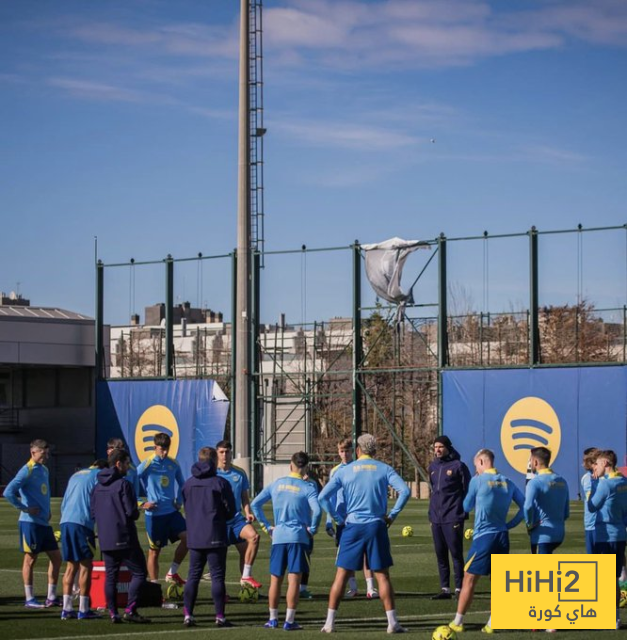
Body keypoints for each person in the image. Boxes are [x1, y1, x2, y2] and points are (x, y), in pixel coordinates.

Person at [318, 433, 410, 634]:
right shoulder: (384, 468)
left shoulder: (345, 470)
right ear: (374, 450)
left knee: (341, 575)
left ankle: (329, 623)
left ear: (358, 450)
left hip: (352, 526)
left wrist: (337, 518)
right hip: (376, 525)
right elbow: (405, 491)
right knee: (382, 576)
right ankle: (392, 623)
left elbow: (323, 497)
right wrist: (392, 515)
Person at [448, 448, 524, 635]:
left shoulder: (478, 480)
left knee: (469, 578)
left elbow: (466, 506)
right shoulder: (507, 481)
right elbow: (525, 506)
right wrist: (509, 524)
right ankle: (492, 622)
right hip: (502, 536)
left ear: (481, 462)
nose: (476, 469)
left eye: (476, 465)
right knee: (498, 582)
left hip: (484, 537)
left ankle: (458, 622)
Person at [251, 451, 321, 631]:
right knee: (294, 580)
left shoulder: (277, 483)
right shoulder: (308, 487)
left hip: (279, 536)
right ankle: (289, 621)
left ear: (291, 465)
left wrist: (267, 527)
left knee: (276, 579)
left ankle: (273, 619)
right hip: (298, 537)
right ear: (306, 467)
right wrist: (312, 530)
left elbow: (255, 504)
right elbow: (317, 511)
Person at [91, 448, 150, 624]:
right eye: (126, 463)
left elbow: (93, 512)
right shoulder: (124, 485)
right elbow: (131, 512)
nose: (128, 467)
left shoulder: (97, 487)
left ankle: (113, 612)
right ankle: (130, 609)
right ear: (118, 464)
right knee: (140, 572)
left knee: (111, 576)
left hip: (105, 538)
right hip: (125, 537)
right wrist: (137, 511)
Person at [3, 438, 62, 608]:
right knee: (30, 559)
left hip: (43, 523)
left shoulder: (44, 469)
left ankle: (51, 597)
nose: (45, 457)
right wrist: (24, 508)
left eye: (47, 454)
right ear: (33, 452)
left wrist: (47, 510)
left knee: (56, 558)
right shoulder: (26, 470)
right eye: (43, 454)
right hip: (30, 523)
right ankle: (29, 599)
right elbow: (8, 492)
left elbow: (43, 493)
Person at [182, 447, 236, 628]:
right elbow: (231, 511)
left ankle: (188, 614)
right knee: (217, 576)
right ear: (213, 461)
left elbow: (185, 506)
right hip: (215, 534)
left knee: (193, 575)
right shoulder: (220, 483)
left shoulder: (188, 483)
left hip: (195, 535)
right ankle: (219, 616)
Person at [324, 437, 379, 599]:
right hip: (342, 519)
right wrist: (329, 520)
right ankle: (353, 588)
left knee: (366, 553)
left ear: (353, 451)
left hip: (359, 516)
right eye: (342, 451)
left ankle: (371, 587)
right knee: (348, 555)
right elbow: (330, 497)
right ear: (338, 452)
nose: (345, 454)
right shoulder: (335, 471)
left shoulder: (359, 468)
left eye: (347, 451)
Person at [59, 459, 108, 620]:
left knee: (71, 566)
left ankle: (67, 609)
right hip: (82, 523)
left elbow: (65, 501)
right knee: (86, 565)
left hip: (66, 521)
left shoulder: (76, 475)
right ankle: (83, 608)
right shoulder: (99, 475)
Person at [137, 432, 188, 584]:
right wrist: (141, 503)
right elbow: (129, 482)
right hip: (155, 516)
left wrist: (179, 501)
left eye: (167, 448)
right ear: (155, 447)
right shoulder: (147, 464)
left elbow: (183, 484)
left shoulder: (173, 464)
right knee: (154, 552)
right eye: (162, 449)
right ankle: (154, 586)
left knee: (189, 538)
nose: (164, 452)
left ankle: (172, 572)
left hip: (172, 513)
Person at [587, 449, 627, 630]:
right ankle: (615, 618)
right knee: (614, 578)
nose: (594, 467)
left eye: (597, 463)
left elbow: (592, 506)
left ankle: (606, 616)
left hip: (605, 535)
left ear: (605, 463)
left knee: (604, 579)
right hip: (619, 535)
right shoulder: (624, 482)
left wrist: (594, 485)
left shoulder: (605, 485)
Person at [427, 435, 471, 600]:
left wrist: (462, 512)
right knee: (440, 554)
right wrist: (431, 515)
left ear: (448, 448)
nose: (437, 450)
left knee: (456, 554)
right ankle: (445, 589)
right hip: (436, 518)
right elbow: (434, 491)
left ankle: (459, 588)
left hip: (453, 516)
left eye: (440, 447)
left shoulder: (459, 466)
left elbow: (468, 490)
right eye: (435, 447)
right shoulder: (432, 466)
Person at [215, 440, 262, 589]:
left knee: (253, 538)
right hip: (218, 522)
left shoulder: (240, 473)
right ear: (217, 453)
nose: (224, 455)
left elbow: (244, 497)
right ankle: (221, 592)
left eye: (227, 452)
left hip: (236, 519)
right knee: (219, 559)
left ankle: (246, 579)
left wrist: (248, 512)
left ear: (231, 453)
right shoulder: (212, 473)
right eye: (221, 452)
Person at [524, 446, 569, 554]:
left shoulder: (535, 482)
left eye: (530, 460)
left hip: (542, 534)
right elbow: (566, 513)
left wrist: (529, 525)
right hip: (559, 533)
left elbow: (527, 507)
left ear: (535, 462)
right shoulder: (562, 481)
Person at [581, 447, 599, 554]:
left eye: (584, 460)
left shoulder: (589, 478)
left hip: (596, 525)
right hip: (590, 524)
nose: (583, 464)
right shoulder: (586, 478)